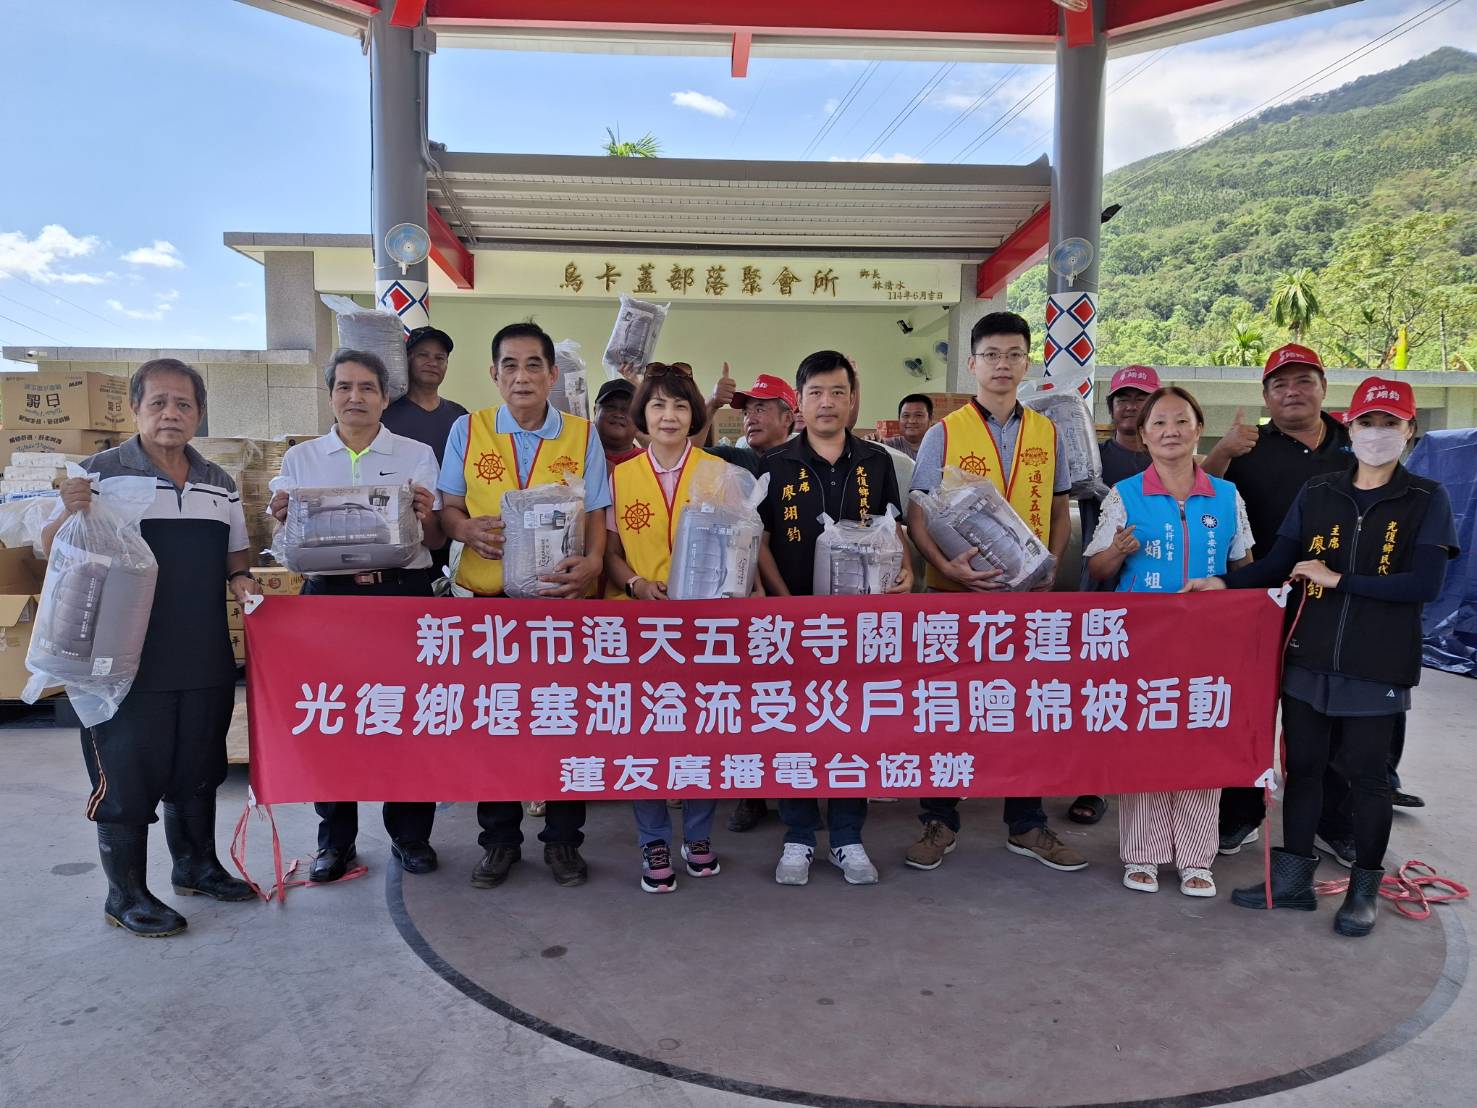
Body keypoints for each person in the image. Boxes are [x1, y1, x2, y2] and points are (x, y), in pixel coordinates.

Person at [1186, 377, 1457, 937]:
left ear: (1409, 431)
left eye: (1390, 423)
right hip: (1309, 653)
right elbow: (1277, 563)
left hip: (1377, 661)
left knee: (1367, 777)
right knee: (1303, 769)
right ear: (1350, 428)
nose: (1377, 434)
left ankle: (1364, 890)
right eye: (1367, 422)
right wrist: (1221, 583)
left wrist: (1340, 580)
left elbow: (1425, 584)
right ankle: (1291, 881)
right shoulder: (1320, 492)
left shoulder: (1426, 498)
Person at [45, 359, 259, 937]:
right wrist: (67, 510)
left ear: (199, 413)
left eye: (184, 404)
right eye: (158, 402)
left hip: (203, 651)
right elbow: (52, 549)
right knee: (127, 773)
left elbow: (235, 554)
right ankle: (126, 895)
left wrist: (242, 580)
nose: (171, 414)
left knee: (199, 767)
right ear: (136, 408)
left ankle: (196, 867)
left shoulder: (219, 481)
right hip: (121, 660)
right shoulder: (98, 475)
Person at [903, 311, 1085, 874]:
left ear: (1027, 363)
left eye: (1013, 355)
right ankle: (938, 818)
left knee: (1026, 710)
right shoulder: (944, 432)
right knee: (946, 710)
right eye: (991, 355)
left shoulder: (1047, 432)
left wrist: (1052, 561)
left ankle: (1026, 823)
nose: (1002, 365)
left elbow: (1059, 507)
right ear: (973, 363)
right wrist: (945, 566)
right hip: (955, 597)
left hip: (1027, 600)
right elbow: (917, 513)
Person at [438, 321, 610, 889]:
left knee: (564, 723)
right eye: (509, 365)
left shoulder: (581, 435)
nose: (522, 376)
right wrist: (463, 529)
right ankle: (499, 841)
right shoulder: (468, 430)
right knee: (495, 722)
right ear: (494, 374)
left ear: (552, 374)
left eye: (534, 364)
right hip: (486, 604)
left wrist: (594, 562)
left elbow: (596, 513)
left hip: (561, 603)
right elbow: (448, 507)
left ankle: (563, 840)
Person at [271, 349, 444, 883]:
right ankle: (334, 841)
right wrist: (281, 519)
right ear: (330, 397)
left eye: (367, 387)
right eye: (344, 387)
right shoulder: (301, 459)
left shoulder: (415, 454)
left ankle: (411, 836)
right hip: (328, 602)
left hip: (400, 597)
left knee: (408, 717)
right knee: (331, 717)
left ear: (385, 397)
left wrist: (426, 516)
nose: (355, 397)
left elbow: (436, 539)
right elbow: (285, 541)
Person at [1086, 387, 1253, 897]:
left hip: (1210, 643)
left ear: (1199, 428)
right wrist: (1117, 550)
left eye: (1181, 421)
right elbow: (1098, 569)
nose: (1170, 431)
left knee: (1203, 740)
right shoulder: (1125, 495)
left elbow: (1245, 567)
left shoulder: (1226, 496)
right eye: (1158, 423)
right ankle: (1143, 853)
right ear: (1144, 435)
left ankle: (1197, 857)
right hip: (1145, 642)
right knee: (1148, 742)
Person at [755, 350, 912, 887]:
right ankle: (798, 836)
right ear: (799, 402)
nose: (827, 402)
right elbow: (761, 541)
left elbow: (893, 529)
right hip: (793, 624)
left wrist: (907, 571)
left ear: (852, 399)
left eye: (838, 392)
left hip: (860, 625)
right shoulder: (775, 464)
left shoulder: (877, 462)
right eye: (817, 393)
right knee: (793, 725)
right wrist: (784, 604)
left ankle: (847, 837)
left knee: (852, 725)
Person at [1201, 344, 1361, 858]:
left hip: (1337, 604)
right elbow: (1200, 495)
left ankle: (1332, 820)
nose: (1292, 392)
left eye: (1303, 381)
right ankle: (1240, 813)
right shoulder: (1249, 447)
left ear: (1323, 388)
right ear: (1266, 395)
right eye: (1280, 384)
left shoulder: (1355, 444)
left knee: (1329, 715)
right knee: (1249, 709)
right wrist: (1222, 451)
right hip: (1260, 600)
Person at [604, 363, 729, 892]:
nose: (669, 415)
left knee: (703, 731)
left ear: (694, 413)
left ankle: (698, 835)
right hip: (641, 628)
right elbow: (609, 552)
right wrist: (634, 584)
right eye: (658, 405)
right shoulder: (621, 475)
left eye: (680, 405)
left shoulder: (718, 473)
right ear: (642, 415)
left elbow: (740, 546)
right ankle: (653, 838)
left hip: (704, 630)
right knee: (645, 734)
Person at [1068, 364, 1159, 826]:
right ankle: (1093, 782)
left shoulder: (1170, 459)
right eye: (1122, 397)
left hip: (1159, 597)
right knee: (1100, 693)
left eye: (1140, 398)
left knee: (1155, 690)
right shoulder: (1092, 459)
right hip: (1102, 588)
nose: (1130, 406)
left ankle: (1148, 780)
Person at [381, 326, 467, 579]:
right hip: (402, 537)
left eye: (440, 358)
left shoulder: (460, 417)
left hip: (452, 534)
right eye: (423, 355)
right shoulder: (385, 415)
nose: (432, 362)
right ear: (407, 360)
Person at [704, 373, 798, 479]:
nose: (749, 420)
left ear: (787, 418)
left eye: (759, 410)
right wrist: (712, 404)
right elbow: (689, 456)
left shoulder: (804, 464)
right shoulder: (730, 460)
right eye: (746, 413)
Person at [594, 377, 644, 467]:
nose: (618, 414)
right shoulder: (576, 454)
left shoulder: (651, 463)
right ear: (595, 411)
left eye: (627, 409)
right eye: (610, 407)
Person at [882, 394, 933, 460]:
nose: (912, 421)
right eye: (906, 415)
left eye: (918, 415)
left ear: (930, 419)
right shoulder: (887, 447)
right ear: (899, 419)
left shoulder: (941, 447)